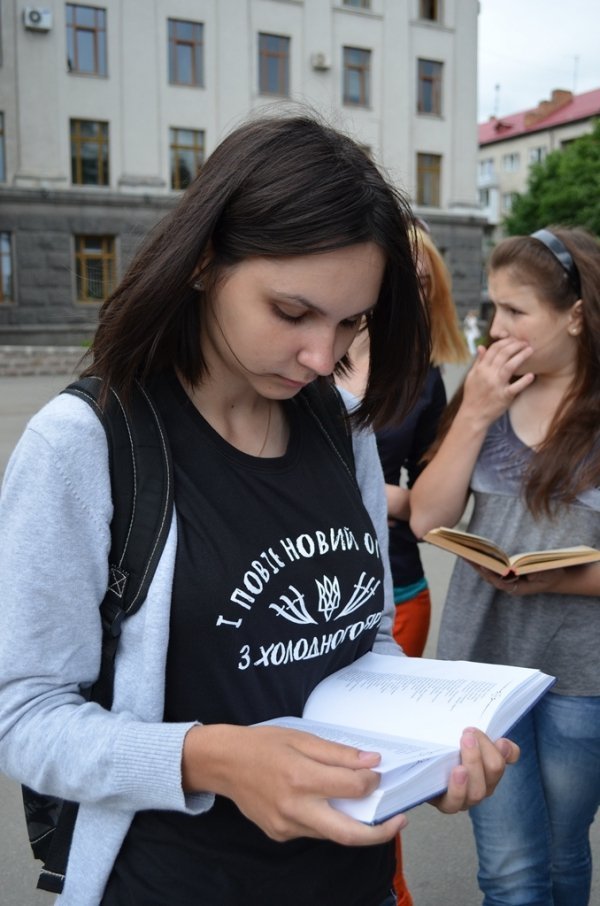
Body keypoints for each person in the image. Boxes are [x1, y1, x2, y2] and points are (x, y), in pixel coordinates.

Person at [0, 114, 518, 906]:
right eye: (292, 312)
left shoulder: (336, 426)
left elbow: (363, 633)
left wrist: (427, 754)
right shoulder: (85, 445)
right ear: (205, 263)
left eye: (351, 323)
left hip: (356, 882)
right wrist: (211, 759)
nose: (323, 357)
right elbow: (26, 717)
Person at [410, 226, 600, 905]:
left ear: (575, 315)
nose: (496, 329)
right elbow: (428, 519)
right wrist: (474, 414)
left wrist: (563, 577)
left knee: (562, 852)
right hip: (483, 667)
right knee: (513, 874)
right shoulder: (488, 390)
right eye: (493, 308)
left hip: (584, 674)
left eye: (515, 311)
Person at [338, 227, 469, 905]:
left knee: (374, 767)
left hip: (399, 591)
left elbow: (432, 502)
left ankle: (388, 890)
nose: (412, 296)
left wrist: (378, 492)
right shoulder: (311, 355)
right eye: (402, 281)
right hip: (301, 595)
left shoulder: (423, 376)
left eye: (425, 285)